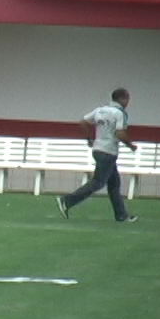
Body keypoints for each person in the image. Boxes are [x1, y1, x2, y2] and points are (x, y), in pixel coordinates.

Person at [55, 88, 138, 223]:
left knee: (114, 184)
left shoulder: (100, 110)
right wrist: (130, 145)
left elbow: (83, 122)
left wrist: (89, 138)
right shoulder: (120, 113)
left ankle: (121, 215)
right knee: (98, 182)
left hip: (98, 148)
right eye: (127, 99)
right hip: (109, 151)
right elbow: (120, 133)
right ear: (123, 99)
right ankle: (67, 201)